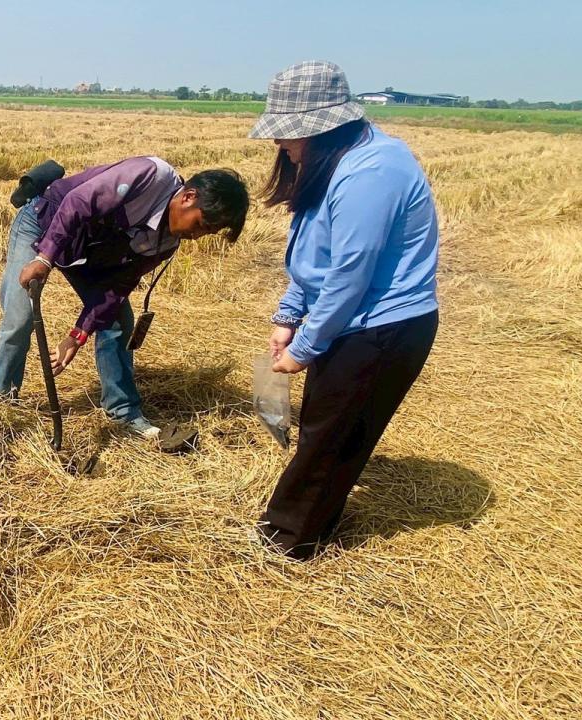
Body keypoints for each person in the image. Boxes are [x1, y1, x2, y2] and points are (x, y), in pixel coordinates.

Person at [249, 61, 440, 559]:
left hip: (383, 327)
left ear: (323, 127)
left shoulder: (373, 172)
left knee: (330, 437)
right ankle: (308, 523)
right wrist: (289, 316)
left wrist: (307, 346)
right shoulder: (332, 163)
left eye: (288, 131)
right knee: (327, 426)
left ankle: (288, 542)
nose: (279, 143)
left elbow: (350, 274)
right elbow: (314, 258)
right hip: (349, 320)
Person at [0, 158, 249, 440]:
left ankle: (123, 411)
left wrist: (77, 336)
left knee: (117, 322)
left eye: (206, 233)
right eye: (200, 225)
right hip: (45, 224)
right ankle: (2, 402)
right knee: (21, 315)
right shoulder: (149, 176)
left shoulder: (166, 242)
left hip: (85, 253)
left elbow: (116, 286)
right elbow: (78, 203)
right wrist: (44, 258)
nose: (196, 236)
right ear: (188, 197)